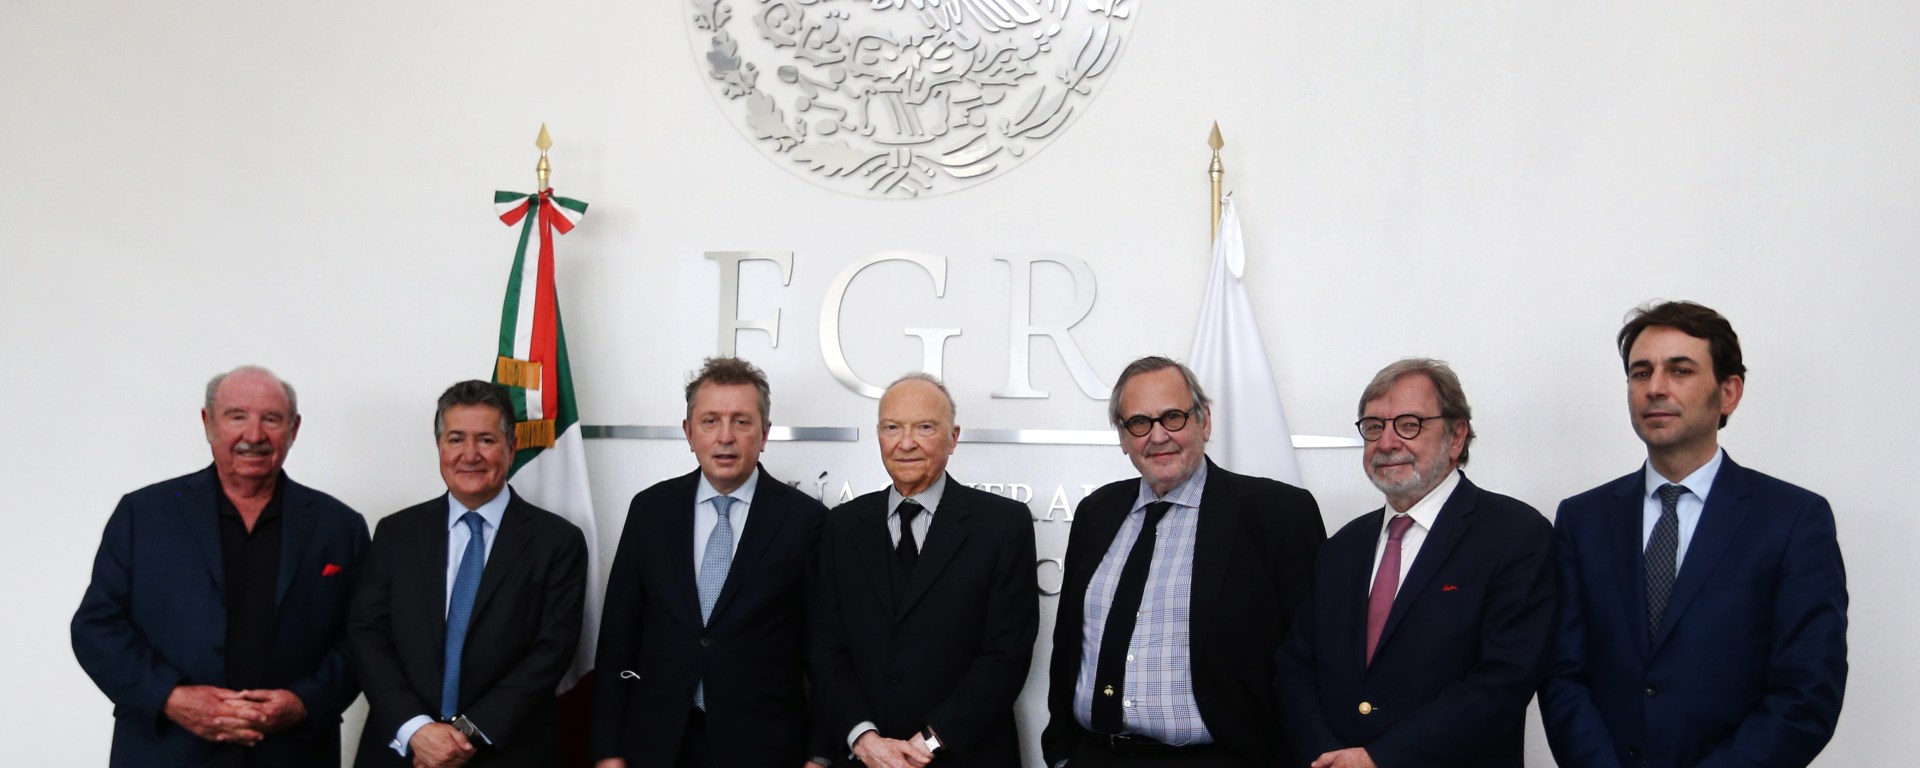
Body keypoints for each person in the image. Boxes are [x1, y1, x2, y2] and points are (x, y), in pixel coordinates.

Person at [1540, 301, 1848, 768]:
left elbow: (1806, 692)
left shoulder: (1793, 519)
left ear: (1729, 393)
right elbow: (1562, 675)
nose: (1655, 388)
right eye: (1641, 373)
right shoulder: (1583, 519)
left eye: (1680, 370)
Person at [72, 365, 369, 767]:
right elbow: (97, 628)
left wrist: (303, 702)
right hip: (165, 751)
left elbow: (363, 637)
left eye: (271, 419)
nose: (254, 435)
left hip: (292, 753)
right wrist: (171, 697)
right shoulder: (142, 515)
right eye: (237, 416)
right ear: (208, 422)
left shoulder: (340, 526)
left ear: (294, 428)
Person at [1043, 355, 1326, 767]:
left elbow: (1309, 654)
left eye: (1173, 417)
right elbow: (1070, 644)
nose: (1158, 436)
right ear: (1123, 437)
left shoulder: (1277, 513)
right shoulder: (1096, 512)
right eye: (1139, 423)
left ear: (1204, 421)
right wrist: (1062, 753)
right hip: (1096, 755)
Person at [1275, 358, 1554, 768]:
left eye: (1409, 425)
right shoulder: (1342, 547)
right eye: (1374, 427)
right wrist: (1326, 756)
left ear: (1456, 436)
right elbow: (1296, 666)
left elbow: (1503, 680)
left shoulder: (1515, 534)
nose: (1387, 442)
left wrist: (1379, 759)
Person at [591, 357, 831, 767]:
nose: (725, 437)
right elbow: (617, 640)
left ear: (764, 434)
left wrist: (821, 755)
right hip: (657, 745)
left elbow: (824, 650)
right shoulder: (650, 511)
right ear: (689, 432)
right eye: (710, 421)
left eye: (741, 421)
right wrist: (607, 751)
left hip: (764, 750)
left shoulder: (806, 521)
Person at [349, 380, 588, 767]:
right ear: (440, 447)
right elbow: (367, 636)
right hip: (404, 750)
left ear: (511, 448)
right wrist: (417, 730)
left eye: (486, 440)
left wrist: (468, 733)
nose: (470, 455)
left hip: (507, 750)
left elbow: (553, 650)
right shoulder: (397, 533)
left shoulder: (557, 542)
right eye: (456, 439)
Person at [812, 373, 1039, 768]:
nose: (906, 443)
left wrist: (929, 743)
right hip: (865, 759)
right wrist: (863, 738)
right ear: (878, 435)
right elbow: (826, 648)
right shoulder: (842, 525)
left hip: (967, 757)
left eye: (924, 428)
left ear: (953, 438)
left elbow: (1006, 655)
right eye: (892, 428)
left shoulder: (1003, 524)